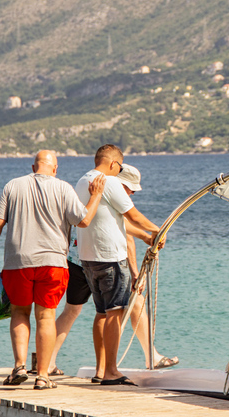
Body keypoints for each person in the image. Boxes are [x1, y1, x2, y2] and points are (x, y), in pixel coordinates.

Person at [0, 150, 105, 390]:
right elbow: (84, 221)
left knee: (19, 312)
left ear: (33, 166)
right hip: (53, 263)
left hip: (18, 262)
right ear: (55, 168)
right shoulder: (64, 188)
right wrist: (96, 196)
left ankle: (19, 367)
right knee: (46, 316)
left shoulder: (13, 186)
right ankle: (42, 376)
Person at [48, 163, 178, 380]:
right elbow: (123, 234)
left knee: (73, 311)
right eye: (130, 188)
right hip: (103, 261)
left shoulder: (89, 186)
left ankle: (48, 361)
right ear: (119, 181)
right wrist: (136, 271)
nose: (133, 192)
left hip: (77, 257)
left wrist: (145, 237)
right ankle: (145, 358)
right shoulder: (113, 191)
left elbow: (121, 227)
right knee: (125, 306)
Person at [76, 144, 161, 386]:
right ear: (114, 164)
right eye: (120, 167)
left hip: (88, 257)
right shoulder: (110, 181)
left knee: (101, 313)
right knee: (115, 313)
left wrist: (146, 236)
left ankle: (101, 369)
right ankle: (112, 371)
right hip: (110, 257)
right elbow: (132, 215)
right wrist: (157, 230)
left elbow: (112, 220)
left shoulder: (83, 181)